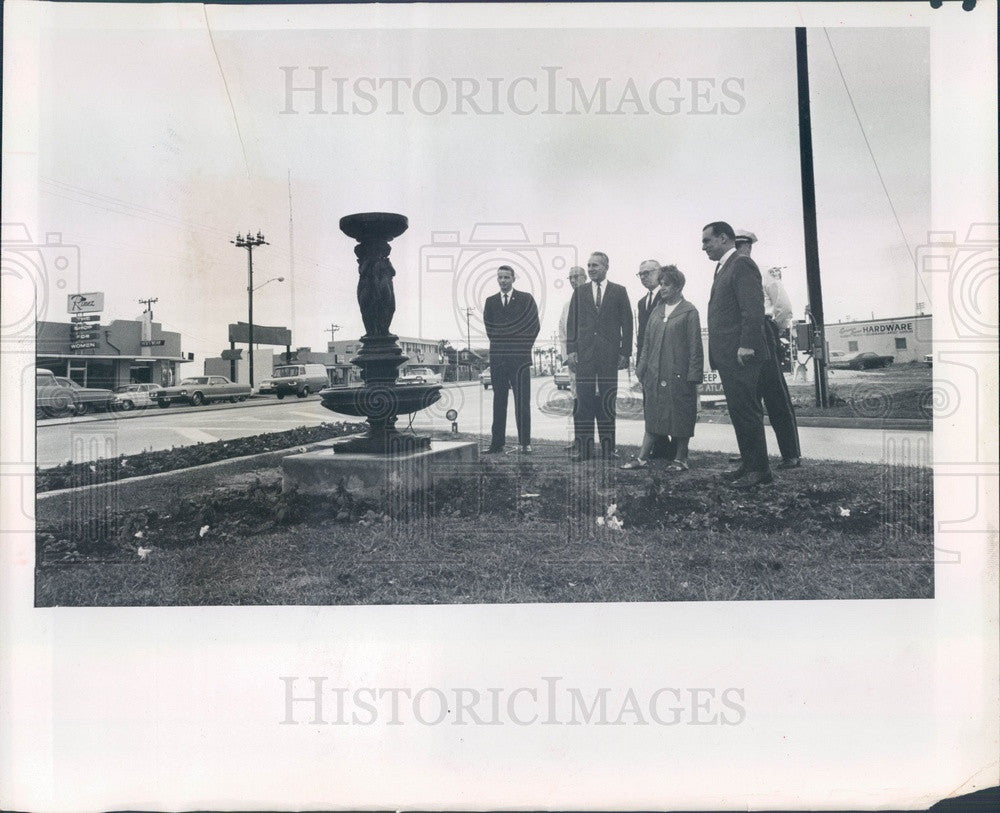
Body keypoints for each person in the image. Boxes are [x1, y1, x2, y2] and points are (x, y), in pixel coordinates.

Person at [703, 221, 772, 486]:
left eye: (707, 241)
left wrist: (747, 344)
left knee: (747, 410)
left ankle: (760, 470)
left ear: (723, 238)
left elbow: (752, 309)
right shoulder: (723, 268)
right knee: (738, 410)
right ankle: (749, 464)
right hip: (728, 356)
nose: (703, 247)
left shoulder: (741, 264)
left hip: (742, 354)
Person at [625, 265, 703, 471]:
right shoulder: (656, 312)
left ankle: (681, 458)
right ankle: (642, 458)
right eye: (660, 284)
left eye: (666, 284)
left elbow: (696, 346)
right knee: (653, 415)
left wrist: (694, 376)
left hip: (679, 375)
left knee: (681, 415)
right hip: (654, 374)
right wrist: (641, 369)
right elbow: (647, 344)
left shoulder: (689, 311)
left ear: (677, 286)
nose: (662, 288)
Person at [734, 230, 801, 468]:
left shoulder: (763, 273)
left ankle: (791, 454)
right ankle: (750, 453)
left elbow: (782, 305)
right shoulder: (731, 272)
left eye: (742, 246)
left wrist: (774, 329)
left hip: (763, 331)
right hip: (742, 334)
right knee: (746, 399)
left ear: (747, 247)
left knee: (775, 395)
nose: (741, 251)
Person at [566, 251, 633, 461]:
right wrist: (572, 350)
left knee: (607, 401)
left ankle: (607, 449)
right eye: (589, 265)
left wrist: (625, 352)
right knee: (584, 402)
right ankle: (584, 449)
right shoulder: (580, 292)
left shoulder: (619, 291)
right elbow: (572, 324)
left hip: (609, 356)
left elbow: (628, 324)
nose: (591, 269)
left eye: (595, 265)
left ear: (606, 267)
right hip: (584, 355)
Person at [481, 265, 540, 454]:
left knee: (522, 403)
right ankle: (497, 443)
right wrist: (501, 349)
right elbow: (489, 329)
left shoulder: (526, 299)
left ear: (514, 278)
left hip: (520, 360)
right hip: (498, 359)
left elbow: (534, 327)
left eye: (507, 277)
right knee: (499, 401)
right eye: (500, 277)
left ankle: (525, 443)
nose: (503, 280)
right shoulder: (490, 302)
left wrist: (520, 349)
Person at [635, 259, 677, 461]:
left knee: (671, 402)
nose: (643, 277)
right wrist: (640, 363)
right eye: (640, 274)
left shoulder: (670, 295)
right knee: (651, 403)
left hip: (669, 358)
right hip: (649, 361)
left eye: (647, 272)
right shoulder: (642, 302)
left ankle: (677, 449)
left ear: (660, 272)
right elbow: (641, 335)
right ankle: (660, 447)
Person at [557, 266, 589, 400]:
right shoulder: (567, 306)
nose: (573, 280)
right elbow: (563, 334)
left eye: (576, 277)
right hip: (574, 361)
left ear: (585, 278)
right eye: (570, 278)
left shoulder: (594, 301)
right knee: (578, 400)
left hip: (593, 360)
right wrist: (567, 356)